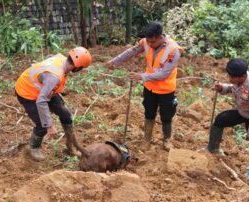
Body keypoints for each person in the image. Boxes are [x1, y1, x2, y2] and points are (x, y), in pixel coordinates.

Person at [105, 22, 183, 151]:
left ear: (160, 37)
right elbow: (132, 51)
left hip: (166, 89)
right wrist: (115, 62)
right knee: (149, 113)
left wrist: (142, 76)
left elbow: (164, 74)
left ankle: (167, 140)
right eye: (148, 41)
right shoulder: (146, 42)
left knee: (166, 116)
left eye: (152, 42)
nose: (150, 45)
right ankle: (146, 139)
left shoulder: (173, 50)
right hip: (150, 87)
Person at [15, 47, 92, 161]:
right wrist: (49, 125)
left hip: (45, 89)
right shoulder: (54, 77)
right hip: (27, 92)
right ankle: (34, 147)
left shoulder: (62, 59)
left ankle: (70, 146)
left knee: (65, 115)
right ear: (77, 68)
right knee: (42, 125)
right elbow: (41, 101)